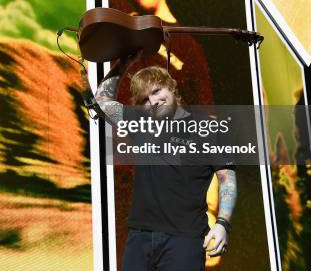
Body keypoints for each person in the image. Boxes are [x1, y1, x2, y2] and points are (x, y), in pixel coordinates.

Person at [95, 53, 237, 271]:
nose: (153, 102)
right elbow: (102, 102)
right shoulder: (140, 122)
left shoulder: (208, 128)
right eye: (144, 99)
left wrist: (223, 224)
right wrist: (123, 63)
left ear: (171, 87)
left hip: (185, 241)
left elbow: (227, 179)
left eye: (156, 91)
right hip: (140, 238)